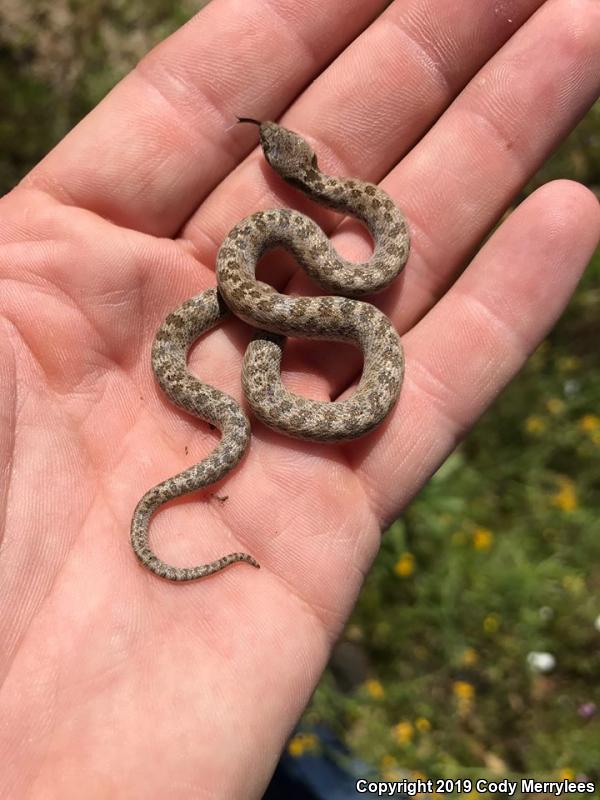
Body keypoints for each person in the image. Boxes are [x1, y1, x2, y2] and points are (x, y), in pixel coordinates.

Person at [0, 0, 598, 797]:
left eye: (277, 157)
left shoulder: (328, 242)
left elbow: (309, 293)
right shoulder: (287, 239)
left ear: (294, 173)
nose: (269, 151)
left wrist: (262, 324)